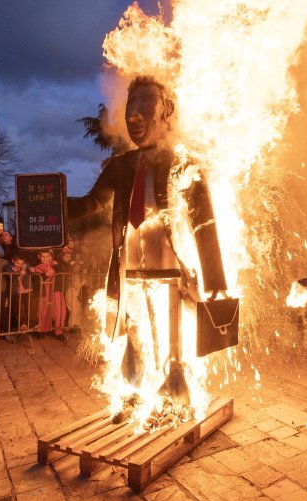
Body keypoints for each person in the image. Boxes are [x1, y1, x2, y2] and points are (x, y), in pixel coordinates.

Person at [67, 75, 228, 410]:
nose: (133, 114)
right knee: (135, 333)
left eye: (145, 101)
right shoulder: (120, 166)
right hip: (129, 270)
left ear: (165, 111)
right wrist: (50, 207)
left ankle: (175, 385)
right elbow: (93, 203)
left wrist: (215, 281)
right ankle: (134, 391)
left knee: (171, 336)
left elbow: (204, 224)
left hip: (169, 269)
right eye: (131, 103)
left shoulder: (184, 164)